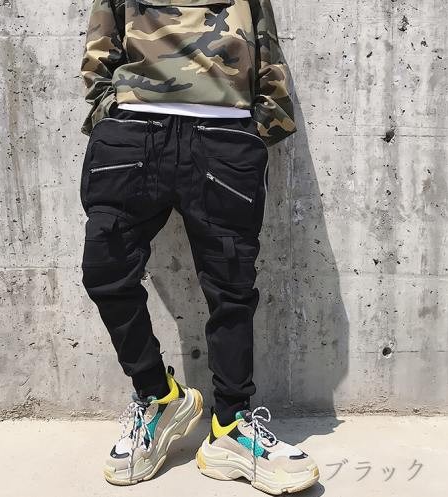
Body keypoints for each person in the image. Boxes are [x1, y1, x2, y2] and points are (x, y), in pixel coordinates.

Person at [79, 0, 319, 493]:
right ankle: (158, 397)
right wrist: (111, 114)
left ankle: (231, 426)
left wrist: (253, 131)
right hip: (133, 132)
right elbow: (100, 45)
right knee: (105, 270)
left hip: (223, 135)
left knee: (232, 289)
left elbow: (266, 49)